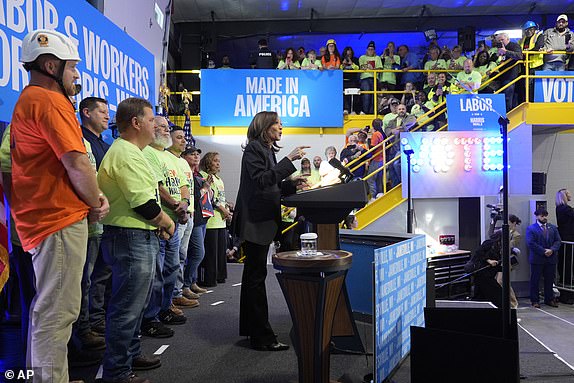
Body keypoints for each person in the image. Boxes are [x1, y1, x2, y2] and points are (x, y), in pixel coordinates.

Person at [10, 29, 109, 383]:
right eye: (72, 68)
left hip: (41, 220)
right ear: (51, 65)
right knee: (57, 314)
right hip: (58, 219)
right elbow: (77, 162)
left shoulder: (28, 100)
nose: (77, 75)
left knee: (46, 312)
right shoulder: (51, 102)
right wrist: (95, 201)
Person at [98, 97, 176, 383]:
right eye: (151, 119)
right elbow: (142, 202)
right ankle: (117, 372)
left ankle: (129, 356)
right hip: (130, 236)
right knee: (126, 307)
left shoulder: (133, 152)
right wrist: (167, 223)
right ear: (136, 122)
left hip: (136, 236)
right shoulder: (126, 153)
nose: (156, 124)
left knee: (135, 305)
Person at [234, 111, 308, 351]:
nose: (281, 127)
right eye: (277, 123)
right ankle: (262, 337)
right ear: (264, 126)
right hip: (255, 222)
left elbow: (271, 184)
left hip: (262, 221)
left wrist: (291, 184)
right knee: (255, 279)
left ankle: (251, 330)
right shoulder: (255, 149)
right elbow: (261, 180)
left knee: (253, 278)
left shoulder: (265, 150)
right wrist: (289, 160)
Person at [199, 152, 233, 286]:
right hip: (211, 221)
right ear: (208, 162)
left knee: (220, 253)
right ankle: (209, 279)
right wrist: (224, 210)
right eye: (215, 161)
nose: (218, 163)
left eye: (219, 161)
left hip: (221, 221)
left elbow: (221, 197)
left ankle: (220, 276)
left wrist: (227, 208)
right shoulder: (204, 176)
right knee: (211, 254)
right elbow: (210, 198)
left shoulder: (219, 179)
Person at [181, 146, 210, 297]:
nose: (196, 156)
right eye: (191, 154)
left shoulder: (198, 174)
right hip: (192, 218)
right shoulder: (185, 174)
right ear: (184, 156)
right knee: (198, 253)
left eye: (197, 154)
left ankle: (192, 282)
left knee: (194, 253)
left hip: (200, 218)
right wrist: (204, 189)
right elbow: (193, 196)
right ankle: (185, 285)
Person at [526, 209, 561, 308]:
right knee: (535, 280)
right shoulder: (531, 229)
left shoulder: (553, 228)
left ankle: (549, 299)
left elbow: (558, 241)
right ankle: (535, 300)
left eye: (546, 215)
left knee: (550, 280)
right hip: (537, 258)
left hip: (551, 258)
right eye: (542, 216)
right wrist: (543, 251)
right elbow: (531, 243)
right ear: (537, 216)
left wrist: (552, 250)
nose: (544, 218)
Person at [495, 33, 523, 111]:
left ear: (508, 39)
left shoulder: (514, 46)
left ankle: (508, 114)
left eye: (502, 40)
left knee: (508, 97)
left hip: (511, 76)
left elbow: (519, 56)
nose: (501, 42)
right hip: (501, 76)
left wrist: (506, 51)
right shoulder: (497, 48)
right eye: (499, 40)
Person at [556, 188, 574, 304]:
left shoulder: (563, 209)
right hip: (567, 240)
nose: (570, 195)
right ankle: (566, 294)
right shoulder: (564, 209)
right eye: (568, 194)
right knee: (566, 266)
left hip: (568, 239)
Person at [359, 41, 383, 114]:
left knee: (373, 96)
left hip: (374, 78)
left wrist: (372, 69)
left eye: (372, 49)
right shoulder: (362, 57)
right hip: (365, 78)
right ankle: (365, 111)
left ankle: (372, 112)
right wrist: (368, 66)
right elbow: (361, 67)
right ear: (366, 50)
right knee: (367, 94)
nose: (370, 51)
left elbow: (380, 69)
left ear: (374, 50)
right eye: (369, 49)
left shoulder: (377, 57)